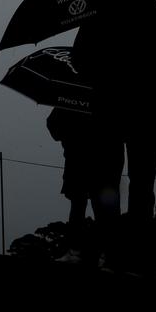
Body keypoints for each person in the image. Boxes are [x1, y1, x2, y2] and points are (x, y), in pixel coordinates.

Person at [70, 0, 156, 271]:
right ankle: (135, 253)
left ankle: (114, 251)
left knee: (107, 181)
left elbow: (78, 60)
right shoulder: (151, 7)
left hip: (110, 106)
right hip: (147, 107)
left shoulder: (96, 11)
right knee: (141, 183)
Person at [45, 106, 95, 263]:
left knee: (85, 205)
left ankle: (86, 250)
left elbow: (53, 124)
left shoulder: (72, 97)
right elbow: (52, 123)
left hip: (91, 158)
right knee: (80, 204)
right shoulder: (71, 98)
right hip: (79, 158)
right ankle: (78, 249)